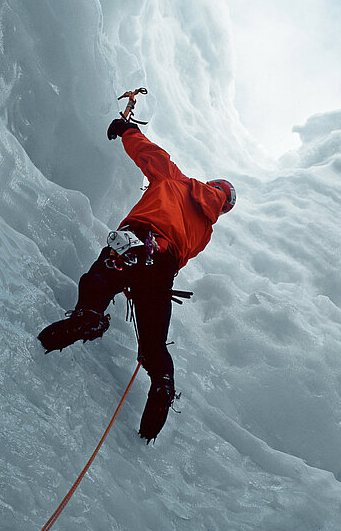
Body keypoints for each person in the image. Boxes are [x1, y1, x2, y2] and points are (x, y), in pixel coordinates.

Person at [38, 116, 236, 441]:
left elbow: (150, 154)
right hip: (163, 269)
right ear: (223, 207)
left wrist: (127, 129)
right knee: (153, 345)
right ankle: (162, 383)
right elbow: (177, 256)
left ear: (209, 184)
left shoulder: (179, 181)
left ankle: (88, 316)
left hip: (140, 239)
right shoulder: (205, 231)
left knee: (99, 279)